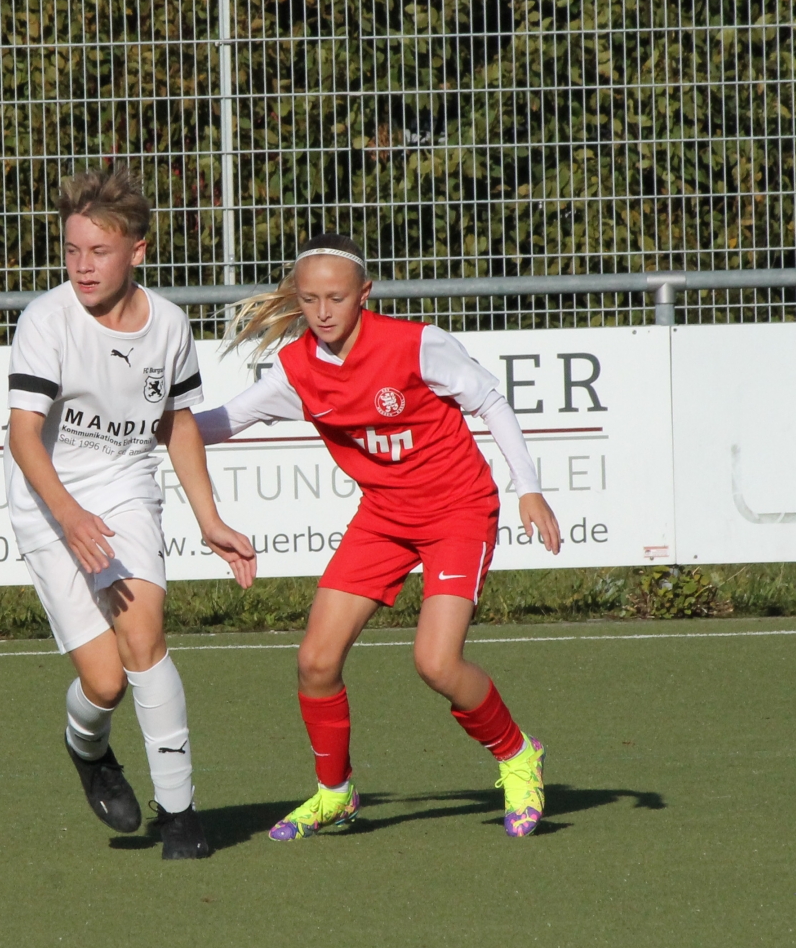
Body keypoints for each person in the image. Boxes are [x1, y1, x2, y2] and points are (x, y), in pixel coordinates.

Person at [194, 234, 563, 841]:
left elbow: (491, 401)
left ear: (364, 293)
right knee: (315, 662)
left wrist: (529, 487)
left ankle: (519, 754)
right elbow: (222, 422)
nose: (322, 312)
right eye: (309, 299)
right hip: (384, 518)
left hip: (457, 511)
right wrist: (142, 423)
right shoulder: (297, 369)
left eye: (336, 298)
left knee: (436, 663)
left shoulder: (415, 344)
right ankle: (335, 794)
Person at [6, 165, 257, 860]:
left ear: (137, 251)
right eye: (72, 250)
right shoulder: (47, 320)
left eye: (99, 251)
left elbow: (177, 424)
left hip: (125, 488)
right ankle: (87, 749)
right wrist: (69, 516)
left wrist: (209, 519)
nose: (82, 266)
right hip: (48, 501)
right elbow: (23, 435)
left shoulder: (169, 324)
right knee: (105, 682)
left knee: (144, 634)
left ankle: (180, 815)